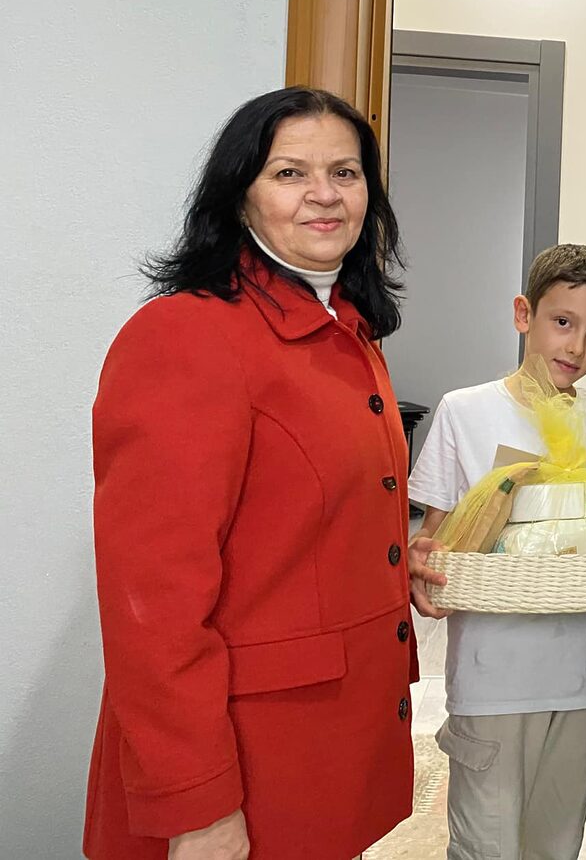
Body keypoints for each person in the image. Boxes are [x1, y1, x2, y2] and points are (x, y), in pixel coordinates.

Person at [84, 87, 415, 859]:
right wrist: (197, 807)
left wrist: (397, 560)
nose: (325, 195)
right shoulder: (187, 336)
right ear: (239, 197)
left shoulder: (347, 332)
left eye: (346, 172)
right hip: (244, 765)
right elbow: (152, 608)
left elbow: (303, 523)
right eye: (290, 173)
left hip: (329, 749)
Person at [404, 244, 586, 860]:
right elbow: (435, 541)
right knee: (487, 845)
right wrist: (426, 574)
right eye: (563, 322)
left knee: (555, 846)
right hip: (493, 678)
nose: (577, 347)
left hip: (583, 677)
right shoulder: (464, 411)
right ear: (523, 314)